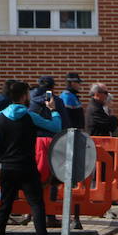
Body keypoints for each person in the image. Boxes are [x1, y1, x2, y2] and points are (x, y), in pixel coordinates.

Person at [0, 80, 62, 235]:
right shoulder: (29, 116)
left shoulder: (0, 116)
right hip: (27, 166)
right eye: (28, 93)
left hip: (8, 166)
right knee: (36, 204)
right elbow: (56, 127)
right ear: (23, 96)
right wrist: (53, 110)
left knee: (5, 207)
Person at [29, 75, 69, 227]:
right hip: (54, 142)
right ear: (52, 87)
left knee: (36, 178)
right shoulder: (56, 102)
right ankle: (50, 215)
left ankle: (31, 213)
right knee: (52, 179)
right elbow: (64, 123)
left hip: (34, 143)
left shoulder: (31, 101)